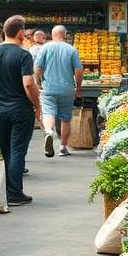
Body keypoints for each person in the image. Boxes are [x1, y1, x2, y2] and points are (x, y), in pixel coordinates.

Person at [0, 15, 41, 205]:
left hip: (1, 110)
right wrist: (37, 105)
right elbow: (29, 84)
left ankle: (5, 191)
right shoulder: (24, 55)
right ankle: (15, 193)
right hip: (21, 110)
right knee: (17, 151)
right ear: (21, 32)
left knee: (6, 150)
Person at [34, 25, 83, 158]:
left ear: (52, 34)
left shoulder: (45, 48)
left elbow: (37, 67)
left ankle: (49, 132)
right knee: (65, 118)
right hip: (67, 89)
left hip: (48, 87)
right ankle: (63, 147)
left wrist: (38, 83)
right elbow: (78, 70)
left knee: (48, 112)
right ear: (65, 34)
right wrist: (78, 87)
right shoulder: (71, 49)